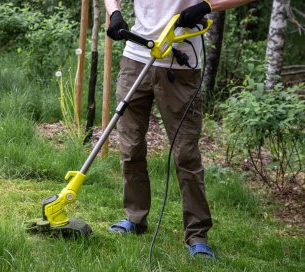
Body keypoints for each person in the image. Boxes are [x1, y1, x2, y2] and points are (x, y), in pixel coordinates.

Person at [104, 0, 255, 258]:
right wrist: (114, 13)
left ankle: (197, 235)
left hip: (180, 65)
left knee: (185, 154)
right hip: (136, 58)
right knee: (130, 148)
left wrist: (207, 6)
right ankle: (135, 217)